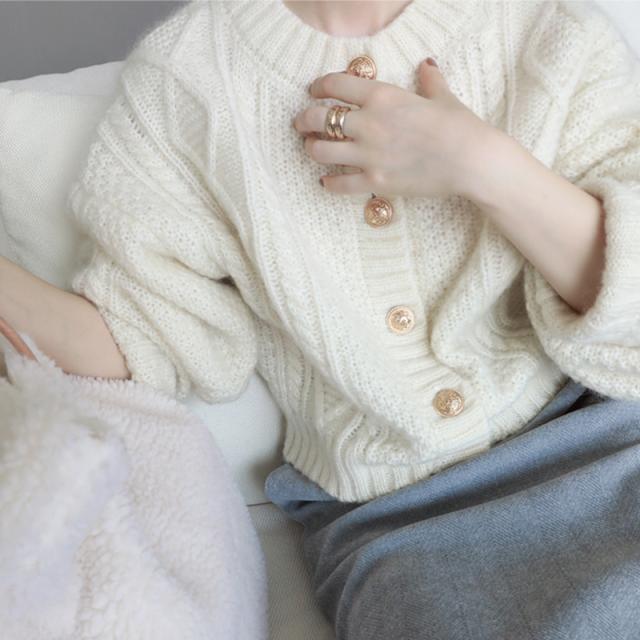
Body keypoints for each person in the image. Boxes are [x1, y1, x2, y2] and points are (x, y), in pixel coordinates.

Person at [1, 0, 640, 637]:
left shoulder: (549, 29)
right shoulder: (184, 77)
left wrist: (482, 166)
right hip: (394, 521)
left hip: (605, 440)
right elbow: (140, 339)